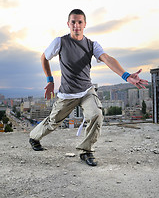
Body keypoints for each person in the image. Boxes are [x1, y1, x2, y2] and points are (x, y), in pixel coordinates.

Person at [29, 9, 148, 166]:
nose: (76, 25)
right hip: (67, 94)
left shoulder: (92, 45)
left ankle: (86, 151)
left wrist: (125, 75)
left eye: (80, 22)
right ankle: (34, 137)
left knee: (96, 114)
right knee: (53, 121)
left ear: (85, 24)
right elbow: (44, 57)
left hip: (86, 91)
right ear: (68, 24)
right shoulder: (60, 42)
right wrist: (50, 81)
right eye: (73, 22)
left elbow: (106, 58)